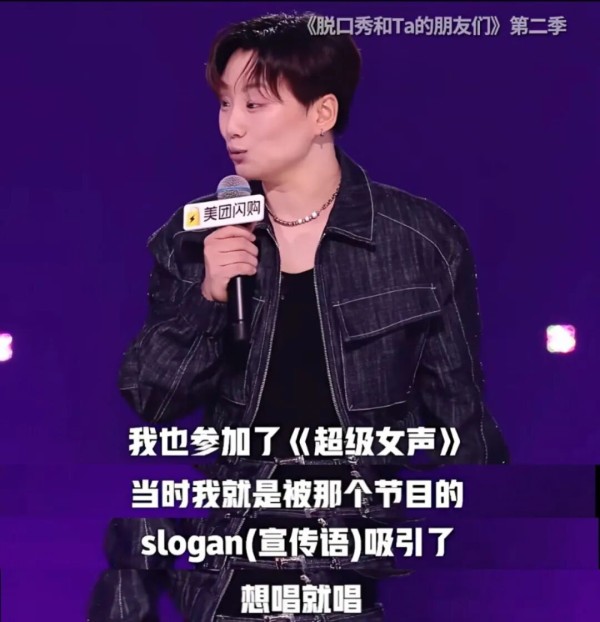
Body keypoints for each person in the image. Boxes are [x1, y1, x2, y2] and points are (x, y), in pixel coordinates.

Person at [88, 11, 510, 622]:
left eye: (254, 104)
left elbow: (461, 425)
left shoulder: (421, 240)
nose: (231, 125)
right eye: (225, 102)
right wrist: (208, 298)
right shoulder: (194, 235)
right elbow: (152, 397)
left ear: (322, 113)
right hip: (228, 571)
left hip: (358, 569)